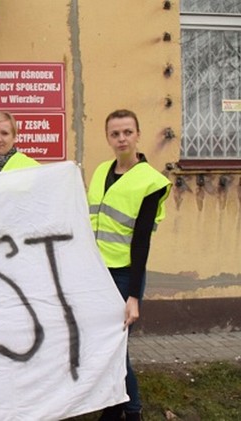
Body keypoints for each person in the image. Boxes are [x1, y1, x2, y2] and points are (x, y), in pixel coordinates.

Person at [88, 109, 171, 421]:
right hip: (97, 274)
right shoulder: (100, 172)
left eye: (127, 132)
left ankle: (131, 411)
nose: (121, 139)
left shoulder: (151, 182)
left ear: (137, 134)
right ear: (108, 138)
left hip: (124, 275)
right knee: (106, 348)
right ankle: (114, 409)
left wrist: (133, 296)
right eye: (115, 133)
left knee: (116, 350)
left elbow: (141, 243)